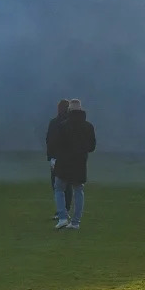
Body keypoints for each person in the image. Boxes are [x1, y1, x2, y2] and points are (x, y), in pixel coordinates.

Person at [52, 98, 96, 230]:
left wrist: (55, 159)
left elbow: (57, 145)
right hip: (80, 163)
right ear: (81, 109)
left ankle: (63, 217)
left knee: (59, 188)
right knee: (78, 190)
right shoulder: (88, 126)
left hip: (64, 163)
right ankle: (76, 222)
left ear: (69, 110)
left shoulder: (63, 125)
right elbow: (91, 147)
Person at [45, 99, 73, 220]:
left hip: (57, 158)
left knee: (57, 186)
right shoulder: (72, 123)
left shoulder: (54, 123)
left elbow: (49, 141)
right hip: (69, 158)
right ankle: (65, 210)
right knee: (68, 185)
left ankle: (61, 211)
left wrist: (50, 157)